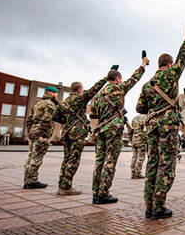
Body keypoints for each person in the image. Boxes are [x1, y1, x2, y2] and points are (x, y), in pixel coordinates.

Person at [136, 12, 185, 220]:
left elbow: (139, 108)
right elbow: (183, 55)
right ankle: (158, 206)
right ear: (169, 65)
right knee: (166, 165)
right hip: (167, 127)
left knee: (152, 163)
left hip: (151, 127)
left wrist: (154, 108)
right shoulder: (171, 75)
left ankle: (149, 206)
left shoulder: (147, 85)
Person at [90, 60, 147, 204]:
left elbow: (93, 114)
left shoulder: (98, 95)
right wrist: (143, 65)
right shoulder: (119, 88)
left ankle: (95, 193)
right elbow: (134, 78)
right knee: (110, 160)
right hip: (113, 130)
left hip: (101, 130)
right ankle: (103, 193)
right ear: (117, 79)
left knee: (99, 161)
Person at [55, 73, 109, 195]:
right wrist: (106, 78)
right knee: (74, 159)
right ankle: (66, 187)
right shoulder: (80, 97)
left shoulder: (64, 102)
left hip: (66, 132)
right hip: (77, 133)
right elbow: (95, 88)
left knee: (66, 159)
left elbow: (56, 117)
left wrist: (67, 122)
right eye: (82, 88)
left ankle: (61, 184)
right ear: (79, 89)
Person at [23, 86, 60, 189]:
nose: (57, 96)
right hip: (41, 134)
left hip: (33, 132)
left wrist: (29, 133)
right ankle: (31, 181)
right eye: (56, 94)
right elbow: (46, 120)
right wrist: (44, 135)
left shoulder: (38, 104)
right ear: (51, 93)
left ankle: (27, 179)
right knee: (37, 158)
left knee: (31, 156)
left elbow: (29, 119)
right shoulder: (50, 104)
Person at [129, 114, 148, 179]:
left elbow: (131, 129)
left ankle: (132, 173)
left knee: (134, 156)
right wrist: (146, 139)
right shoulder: (145, 117)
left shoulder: (134, 118)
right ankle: (137, 173)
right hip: (141, 140)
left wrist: (130, 139)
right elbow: (145, 130)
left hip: (134, 139)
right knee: (141, 157)